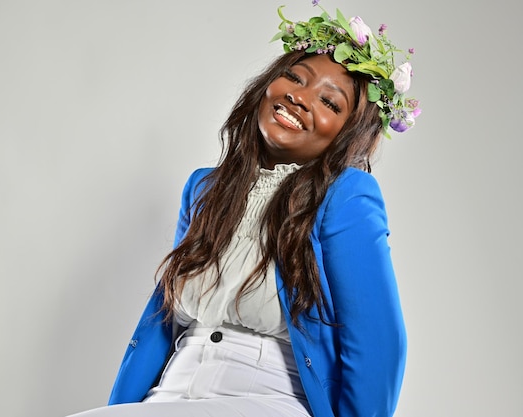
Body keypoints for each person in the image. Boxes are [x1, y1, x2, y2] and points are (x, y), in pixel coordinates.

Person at [68, 2, 419, 416]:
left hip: (265, 395)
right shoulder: (205, 188)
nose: (299, 97)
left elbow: (377, 340)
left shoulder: (345, 196)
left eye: (330, 102)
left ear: (348, 135)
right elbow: (165, 324)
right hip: (172, 392)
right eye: (294, 77)